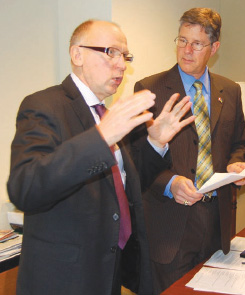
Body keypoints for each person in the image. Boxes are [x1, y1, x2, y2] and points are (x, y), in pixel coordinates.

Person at [7, 20, 194, 295]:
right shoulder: (43, 106)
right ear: (77, 55)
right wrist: (101, 137)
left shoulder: (107, 115)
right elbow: (26, 188)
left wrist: (155, 142)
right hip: (64, 280)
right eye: (110, 52)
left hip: (109, 271)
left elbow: (125, 184)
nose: (122, 65)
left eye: (125, 56)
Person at [132, 7, 245, 294]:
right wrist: (169, 183)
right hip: (168, 227)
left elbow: (239, 145)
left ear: (214, 47)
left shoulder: (230, 90)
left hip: (216, 224)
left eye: (197, 44)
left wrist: (237, 164)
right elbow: (135, 158)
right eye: (182, 40)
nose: (186, 50)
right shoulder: (149, 89)